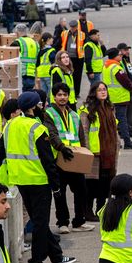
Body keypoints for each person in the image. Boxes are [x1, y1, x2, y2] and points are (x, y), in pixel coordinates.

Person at [0, 91, 77, 263]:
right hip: (38, 181)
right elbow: (47, 161)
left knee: (38, 220)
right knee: (41, 223)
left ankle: (57, 257)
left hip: (20, 181)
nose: (42, 106)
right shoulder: (37, 129)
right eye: (39, 104)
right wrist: (56, 185)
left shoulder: (10, 126)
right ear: (32, 108)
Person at [43, 82, 93, 234]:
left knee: (81, 190)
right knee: (60, 192)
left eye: (65, 94)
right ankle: (62, 223)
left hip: (75, 157)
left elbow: (81, 136)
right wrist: (61, 147)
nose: (62, 97)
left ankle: (79, 221)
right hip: (59, 157)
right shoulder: (49, 113)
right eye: (59, 95)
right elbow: (51, 133)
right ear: (54, 96)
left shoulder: (74, 114)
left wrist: (85, 152)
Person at [80, 82, 119, 221]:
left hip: (109, 153)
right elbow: (84, 132)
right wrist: (87, 150)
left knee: (105, 184)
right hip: (95, 154)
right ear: (94, 93)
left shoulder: (110, 108)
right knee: (91, 185)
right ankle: (88, 211)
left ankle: (100, 210)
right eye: (99, 90)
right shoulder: (88, 110)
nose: (103, 92)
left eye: (104, 89)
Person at [103, 47, 132, 149]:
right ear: (115, 57)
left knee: (113, 121)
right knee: (122, 121)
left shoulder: (106, 66)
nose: (121, 56)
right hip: (119, 98)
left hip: (111, 97)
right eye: (119, 55)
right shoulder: (116, 68)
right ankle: (127, 142)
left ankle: (114, 142)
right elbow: (125, 82)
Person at [60, 20, 86, 98]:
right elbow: (60, 43)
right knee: (67, 75)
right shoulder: (64, 33)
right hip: (68, 57)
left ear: (77, 26)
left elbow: (84, 45)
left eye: (74, 27)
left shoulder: (82, 34)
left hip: (78, 58)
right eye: (71, 27)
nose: (72, 28)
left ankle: (76, 93)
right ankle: (68, 91)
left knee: (77, 76)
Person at [12, 24, 38, 91]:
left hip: (21, 74)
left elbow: (10, 58)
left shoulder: (17, 42)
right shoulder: (35, 43)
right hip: (32, 74)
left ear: (17, 32)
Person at [36, 32, 56, 97]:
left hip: (41, 74)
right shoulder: (51, 50)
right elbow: (54, 63)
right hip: (48, 73)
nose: (53, 40)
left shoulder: (41, 50)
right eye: (51, 38)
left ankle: (44, 105)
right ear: (48, 39)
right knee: (51, 92)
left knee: (44, 93)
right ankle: (50, 105)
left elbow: (37, 63)